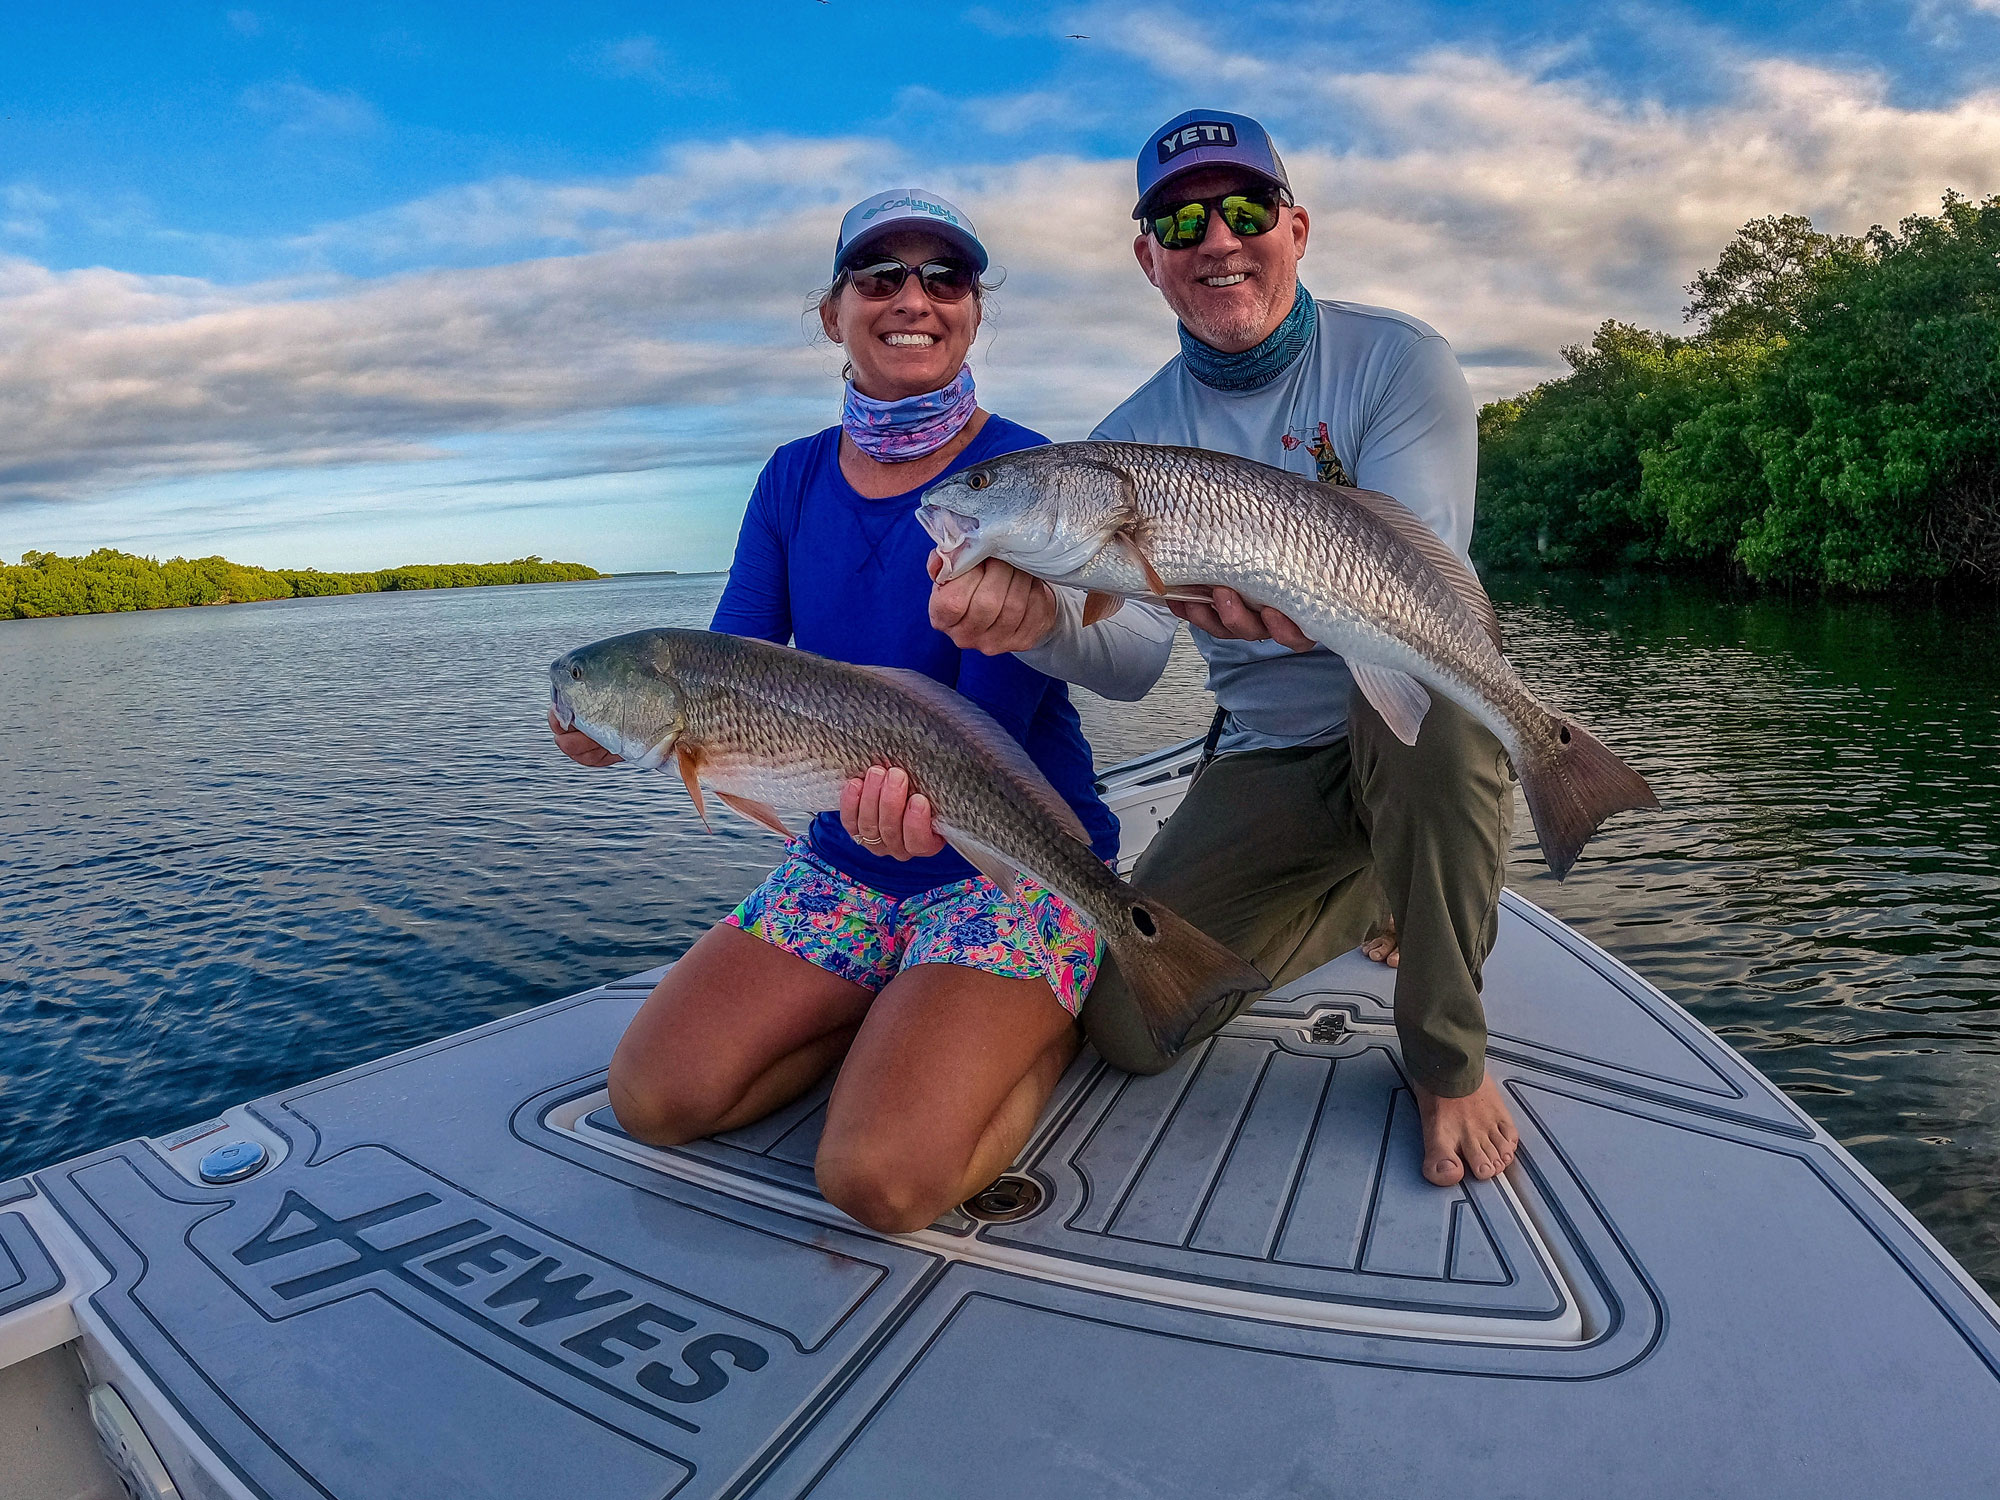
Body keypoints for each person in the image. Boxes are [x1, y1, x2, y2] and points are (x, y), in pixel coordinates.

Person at [928, 111, 1521, 1188]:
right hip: (1270, 752)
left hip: (1403, 709)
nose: (1216, 239)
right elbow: (1133, 661)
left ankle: (1446, 1053)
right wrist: (1040, 629)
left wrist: (1299, 597)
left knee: (1449, 712)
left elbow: (1424, 585)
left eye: (1244, 210)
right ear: (1146, 256)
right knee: (1129, 1021)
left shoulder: (1398, 361)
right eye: (1179, 219)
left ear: (1295, 227)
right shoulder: (1128, 436)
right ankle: (1371, 876)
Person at [550, 188, 1121, 1234]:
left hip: (1007, 852)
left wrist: (921, 813)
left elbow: (983, 718)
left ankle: (1047, 1018)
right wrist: (615, 728)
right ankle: (896, 1013)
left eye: (944, 278)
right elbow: (726, 667)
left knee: (881, 1181)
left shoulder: (1033, 474)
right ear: (832, 312)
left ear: (974, 311)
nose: (914, 297)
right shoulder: (789, 477)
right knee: (656, 1098)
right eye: (880, 277)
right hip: (848, 854)